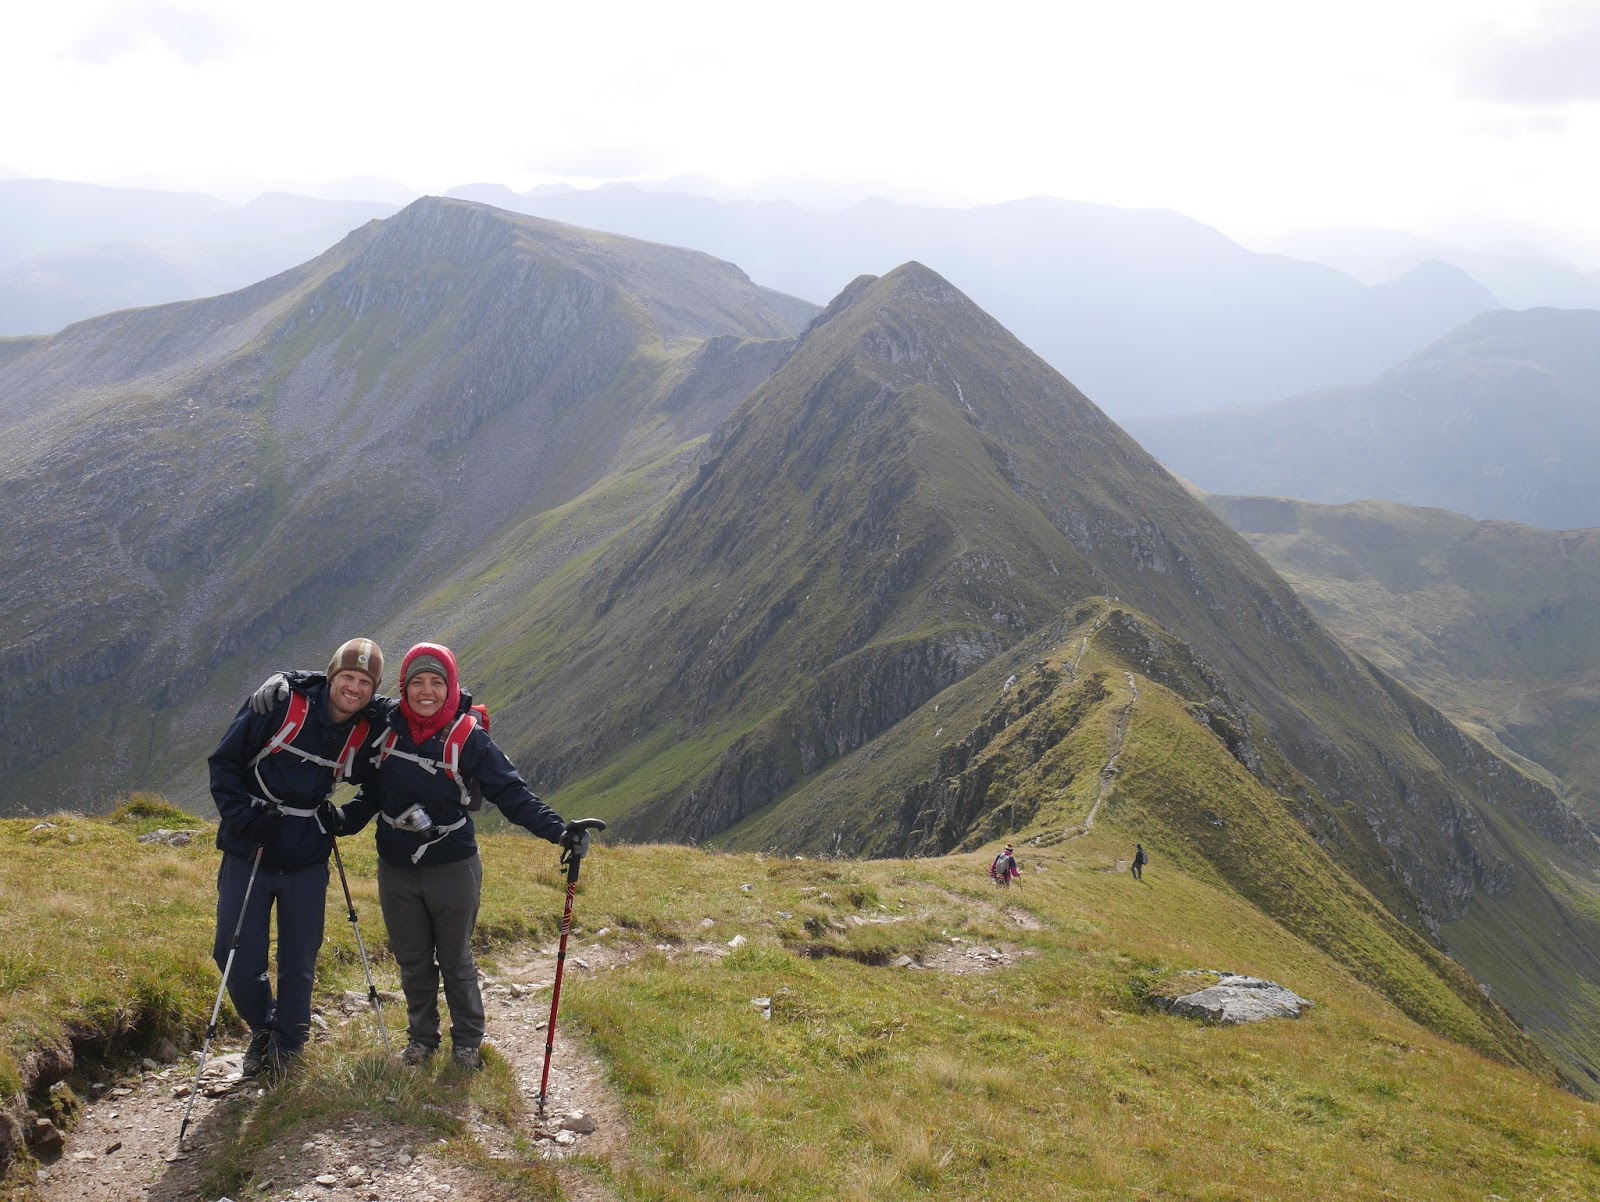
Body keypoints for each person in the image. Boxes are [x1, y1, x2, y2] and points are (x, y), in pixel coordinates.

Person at [336, 642, 570, 1071]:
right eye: (417, 682)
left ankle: (467, 1043)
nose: (427, 692)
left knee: (455, 958)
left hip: (452, 867)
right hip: (396, 867)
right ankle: (422, 1040)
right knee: (412, 959)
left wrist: (560, 831)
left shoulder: (469, 738)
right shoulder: (385, 728)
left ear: (451, 686)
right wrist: (339, 820)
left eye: (437, 682)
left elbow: (512, 794)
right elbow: (371, 791)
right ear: (403, 687)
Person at [208, 638, 383, 1077]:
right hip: (251, 848)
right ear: (331, 675)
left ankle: (287, 1048)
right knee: (235, 957)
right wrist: (246, 819)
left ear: (372, 689)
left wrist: (347, 819)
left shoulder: (368, 727)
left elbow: (387, 773)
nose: (354, 688)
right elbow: (224, 763)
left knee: (299, 961)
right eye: (347, 676)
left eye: (365, 682)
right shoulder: (280, 704)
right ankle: (264, 1027)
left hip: (307, 855)